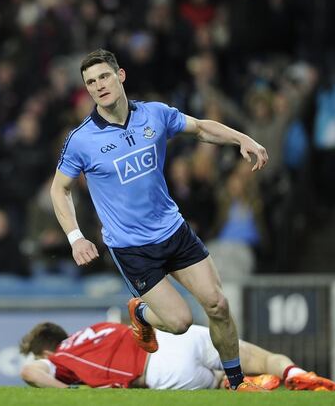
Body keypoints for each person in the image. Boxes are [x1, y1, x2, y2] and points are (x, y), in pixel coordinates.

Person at [50, 49, 269, 391]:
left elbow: (199, 129)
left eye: (104, 76)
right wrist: (75, 236)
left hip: (174, 231)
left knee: (218, 305)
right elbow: (58, 189)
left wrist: (242, 138)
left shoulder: (155, 114)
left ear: (120, 75)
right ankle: (140, 314)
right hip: (132, 248)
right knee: (180, 322)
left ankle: (237, 383)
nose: (98, 85)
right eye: (90, 82)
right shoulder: (81, 140)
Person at [19, 321, 335, 391]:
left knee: (215, 385)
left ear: (48, 350)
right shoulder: (98, 328)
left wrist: (73, 393)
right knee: (265, 356)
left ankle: (236, 385)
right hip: (179, 335)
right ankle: (294, 373)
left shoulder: (61, 358)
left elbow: (31, 373)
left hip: (160, 367)